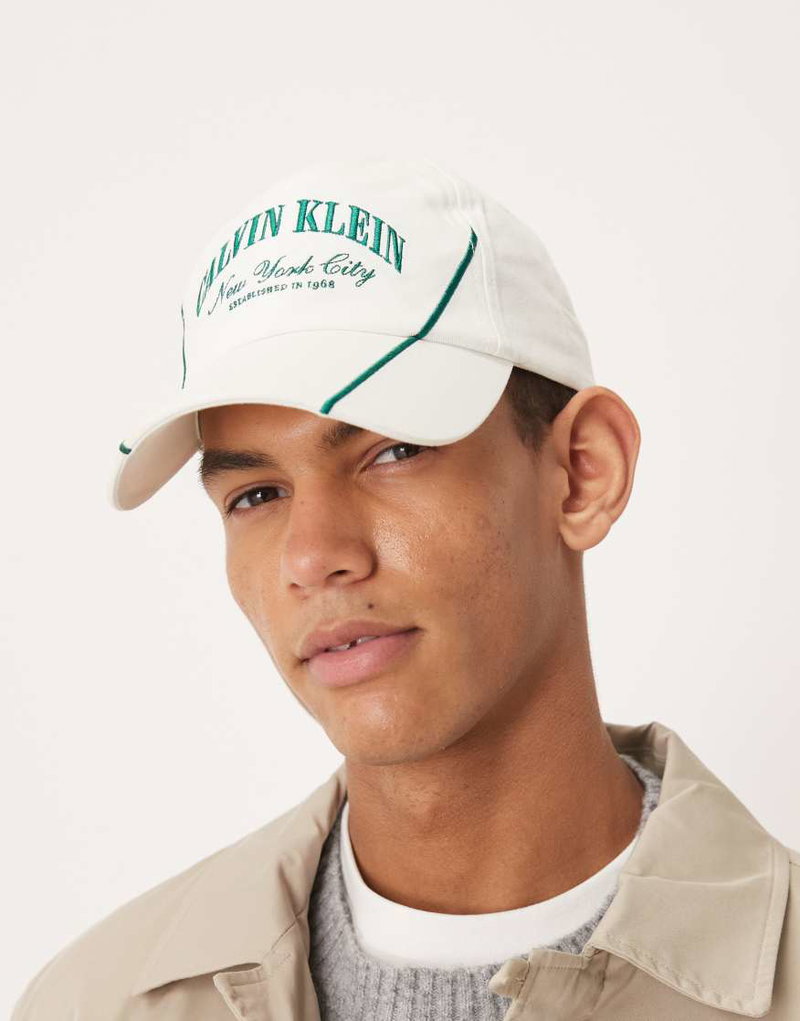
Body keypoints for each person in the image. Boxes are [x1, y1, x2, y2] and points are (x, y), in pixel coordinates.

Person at [11, 158, 799, 1020]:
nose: (314, 556)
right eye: (258, 495)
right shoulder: (92, 1002)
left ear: (582, 471)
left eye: (393, 451)